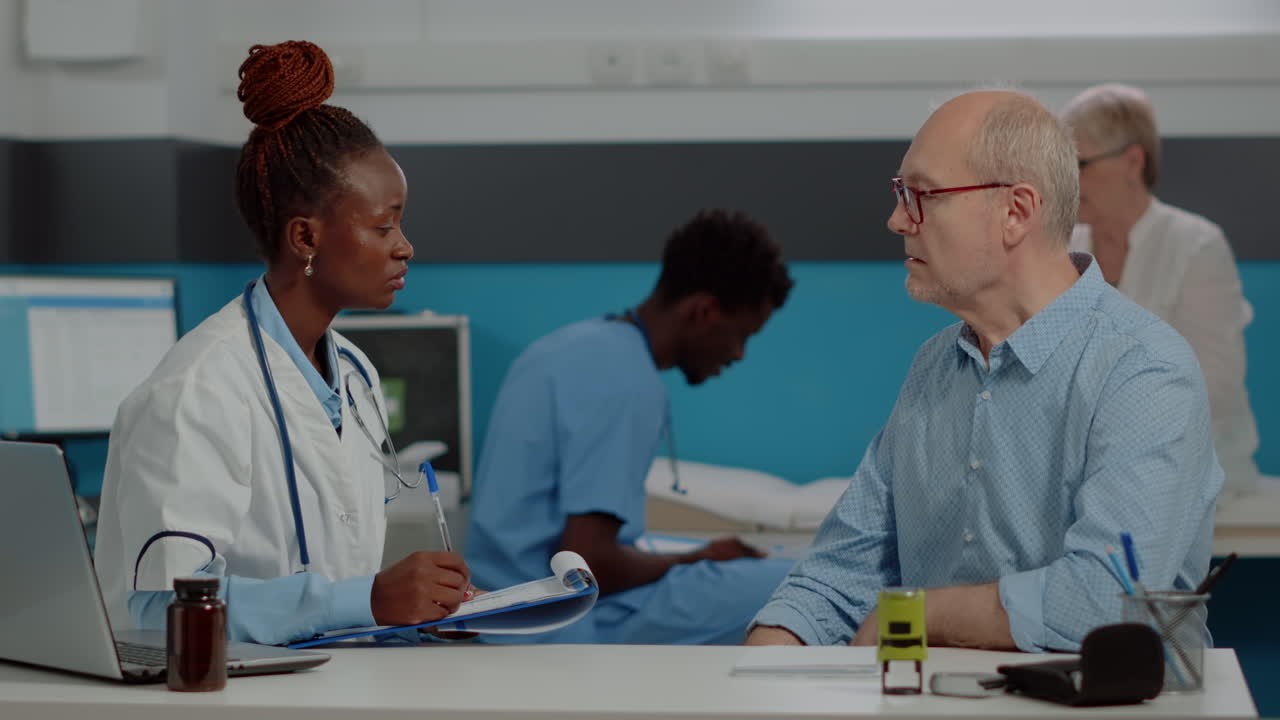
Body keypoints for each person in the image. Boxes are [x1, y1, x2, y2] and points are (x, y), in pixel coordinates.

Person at [747, 90, 1221, 652]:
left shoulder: (1143, 370)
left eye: (922, 194)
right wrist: (766, 665)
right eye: (902, 194)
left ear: (1016, 211)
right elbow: (838, 578)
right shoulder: (934, 368)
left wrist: (923, 614)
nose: (898, 219)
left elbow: (1106, 601)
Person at [93, 40, 470, 646]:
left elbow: (336, 582)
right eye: (383, 225)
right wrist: (366, 599)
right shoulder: (198, 389)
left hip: (334, 686)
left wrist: (414, 617)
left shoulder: (353, 373)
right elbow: (158, 608)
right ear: (305, 237)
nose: (405, 246)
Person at [465, 209, 795, 644]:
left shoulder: (565, 346)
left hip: (498, 598)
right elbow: (589, 564)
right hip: (560, 622)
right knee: (798, 583)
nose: (738, 355)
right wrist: (696, 558)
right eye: (743, 335)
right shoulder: (628, 380)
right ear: (705, 311)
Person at [1062, 83, 1263, 497]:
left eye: (1079, 163)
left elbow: (1214, 388)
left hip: (1193, 471)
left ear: (1133, 161)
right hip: (1087, 474)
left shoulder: (1196, 246)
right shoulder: (1064, 248)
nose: (1066, 180)